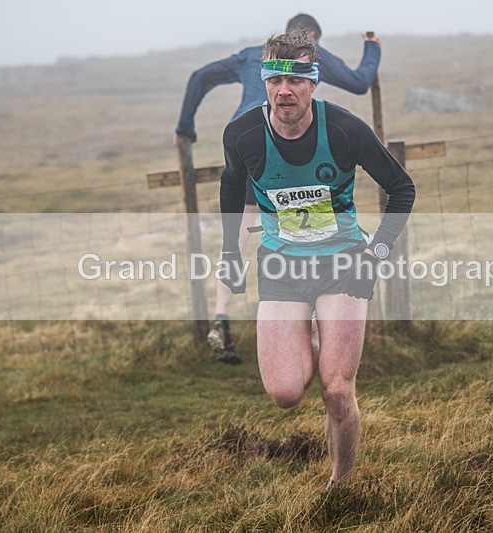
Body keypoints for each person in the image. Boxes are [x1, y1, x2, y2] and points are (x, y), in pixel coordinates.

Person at [217, 29, 415, 489]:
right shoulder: (242, 134)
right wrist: (230, 252)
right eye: (274, 80)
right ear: (265, 81)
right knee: (285, 393)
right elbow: (230, 186)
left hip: (344, 263)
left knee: (336, 389)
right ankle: (315, 334)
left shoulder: (344, 129)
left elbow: (402, 188)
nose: (283, 91)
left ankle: (340, 486)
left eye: (296, 80)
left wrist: (377, 251)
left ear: (314, 82)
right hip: (282, 269)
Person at [174, 13, 382, 364]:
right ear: (311, 37)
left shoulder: (254, 54)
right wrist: (372, 48)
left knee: (237, 238)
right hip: (284, 159)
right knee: (308, 235)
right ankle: (317, 327)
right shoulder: (311, 58)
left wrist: (185, 128)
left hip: (247, 151)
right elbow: (360, 82)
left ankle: (222, 318)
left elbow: (199, 77)